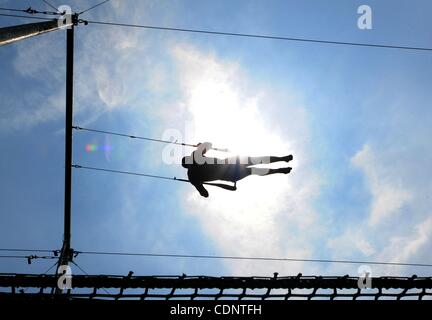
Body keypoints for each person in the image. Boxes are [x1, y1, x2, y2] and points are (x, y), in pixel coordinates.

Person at [181, 142, 293, 197]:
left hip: (229, 176)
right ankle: (283, 159)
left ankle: (279, 170)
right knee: (258, 160)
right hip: (230, 163)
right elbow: (209, 144)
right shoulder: (195, 156)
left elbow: (205, 194)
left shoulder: (191, 177)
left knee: (254, 171)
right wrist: (200, 146)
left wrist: (199, 183)